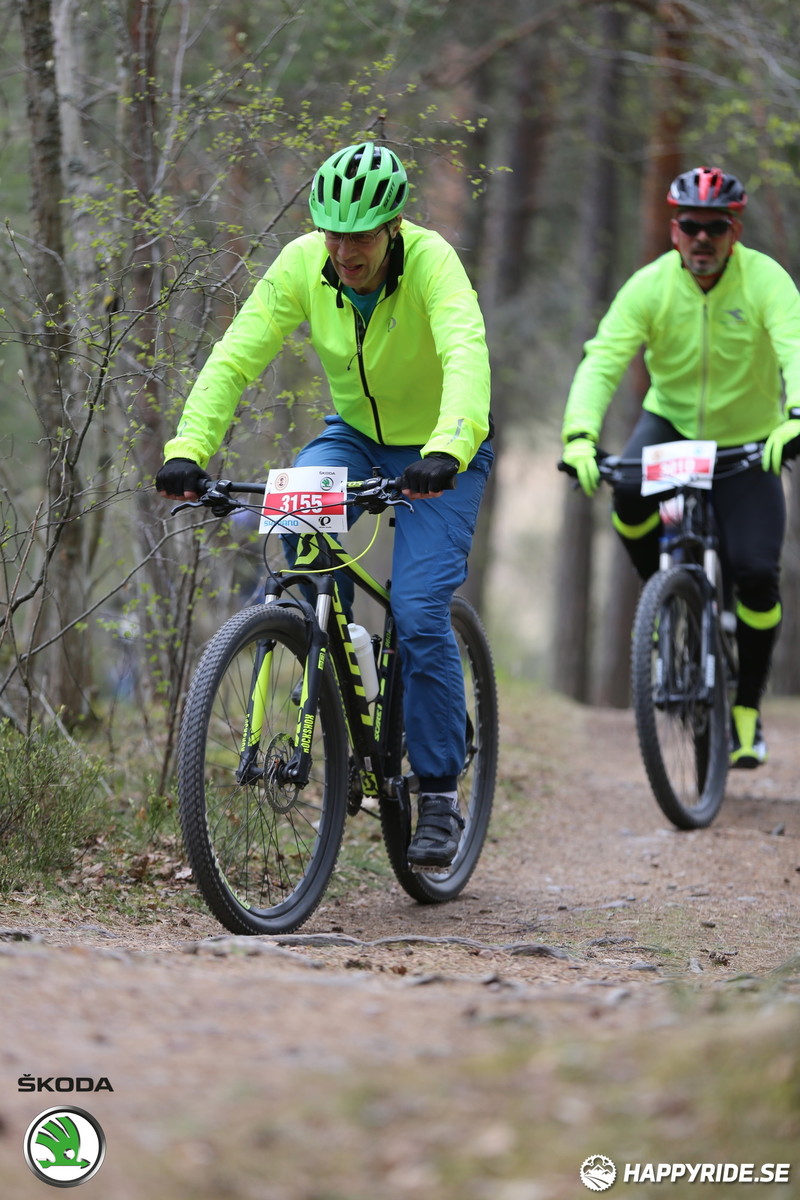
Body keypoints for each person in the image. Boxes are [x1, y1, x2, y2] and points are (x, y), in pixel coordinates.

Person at [156, 141, 493, 869]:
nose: (344, 249)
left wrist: (449, 448)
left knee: (421, 607)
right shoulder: (303, 263)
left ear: (393, 227)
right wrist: (189, 448)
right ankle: (341, 723)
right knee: (303, 556)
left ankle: (437, 790)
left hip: (443, 448)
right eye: (333, 231)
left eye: (361, 233)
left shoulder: (433, 263)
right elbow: (237, 352)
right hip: (356, 439)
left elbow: (466, 351)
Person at [561, 165, 800, 769]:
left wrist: (796, 414)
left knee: (755, 573)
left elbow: (795, 343)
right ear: (674, 230)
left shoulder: (765, 281)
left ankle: (745, 709)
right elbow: (604, 357)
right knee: (627, 496)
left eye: (714, 228)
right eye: (690, 226)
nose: (701, 238)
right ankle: (662, 602)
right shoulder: (650, 286)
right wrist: (580, 436)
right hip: (669, 426)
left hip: (748, 440)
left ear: (733, 231)